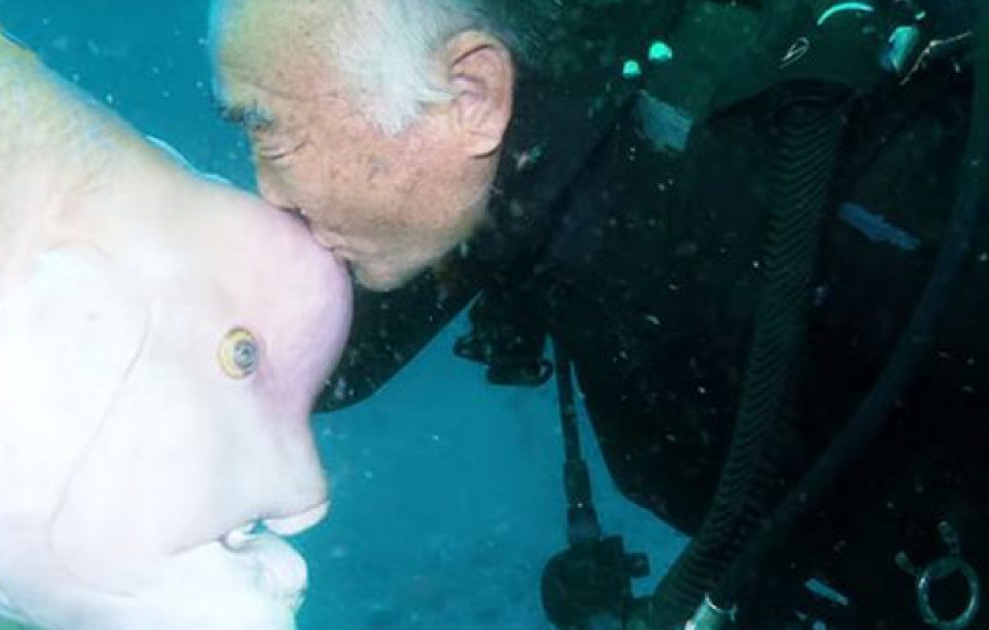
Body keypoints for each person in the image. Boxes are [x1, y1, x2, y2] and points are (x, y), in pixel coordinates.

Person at [210, 0, 987, 627]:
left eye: (270, 134)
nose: (267, 196)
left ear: (469, 94)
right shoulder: (518, 176)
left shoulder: (794, 165)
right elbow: (294, 351)